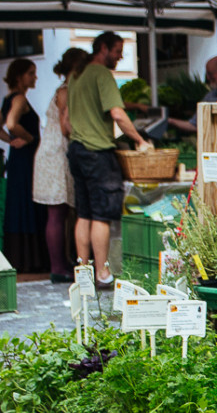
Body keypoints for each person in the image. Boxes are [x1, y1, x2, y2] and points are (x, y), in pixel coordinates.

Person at [67, 31, 151, 289]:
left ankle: (82, 271)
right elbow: (117, 113)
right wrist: (140, 140)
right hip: (96, 151)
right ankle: (102, 273)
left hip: (77, 149)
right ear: (102, 48)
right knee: (101, 215)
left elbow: (69, 118)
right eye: (117, 50)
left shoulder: (76, 74)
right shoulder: (102, 74)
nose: (120, 56)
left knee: (84, 213)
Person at [33, 47, 88, 283]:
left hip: (54, 153)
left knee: (60, 212)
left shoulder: (64, 89)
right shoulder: (66, 91)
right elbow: (67, 125)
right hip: (56, 154)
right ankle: (58, 267)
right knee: (57, 212)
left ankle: (62, 264)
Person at [1, 59, 47, 273]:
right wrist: (28, 137)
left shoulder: (8, 98)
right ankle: (32, 259)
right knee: (29, 201)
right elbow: (11, 123)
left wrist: (9, 141)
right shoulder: (19, 98)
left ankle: (20, 258)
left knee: (18, 202)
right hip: (26, 157)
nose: (35, 77)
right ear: (19, 76)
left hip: (18, 157)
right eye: (31, 73)